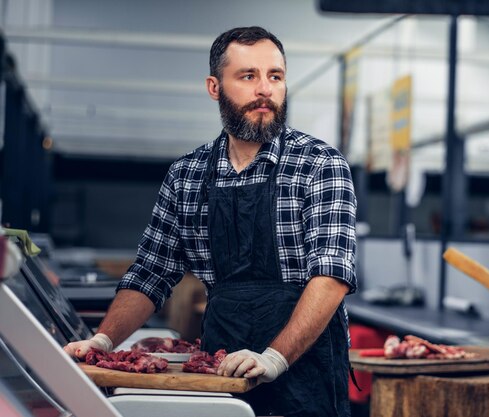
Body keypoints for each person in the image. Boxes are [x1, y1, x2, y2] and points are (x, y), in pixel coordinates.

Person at [64, 26, 357, 417]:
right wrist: (103, 340)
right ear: (214, 87)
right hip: (221, 373)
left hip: (306, 372)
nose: (265, 89)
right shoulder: (187, 175)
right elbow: (151, 273)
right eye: (248, 76)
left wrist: (274, 358)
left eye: (275, 76)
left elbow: (331, 278)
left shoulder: (320, 165)